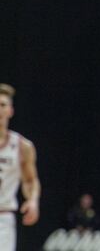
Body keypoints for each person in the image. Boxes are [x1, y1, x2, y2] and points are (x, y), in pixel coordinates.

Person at [0, 83, 40, 251]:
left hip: (3, 217)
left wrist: (32, 201)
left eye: (2, 105)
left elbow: (30, 180)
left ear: (10, 110)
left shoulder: (23, 146)